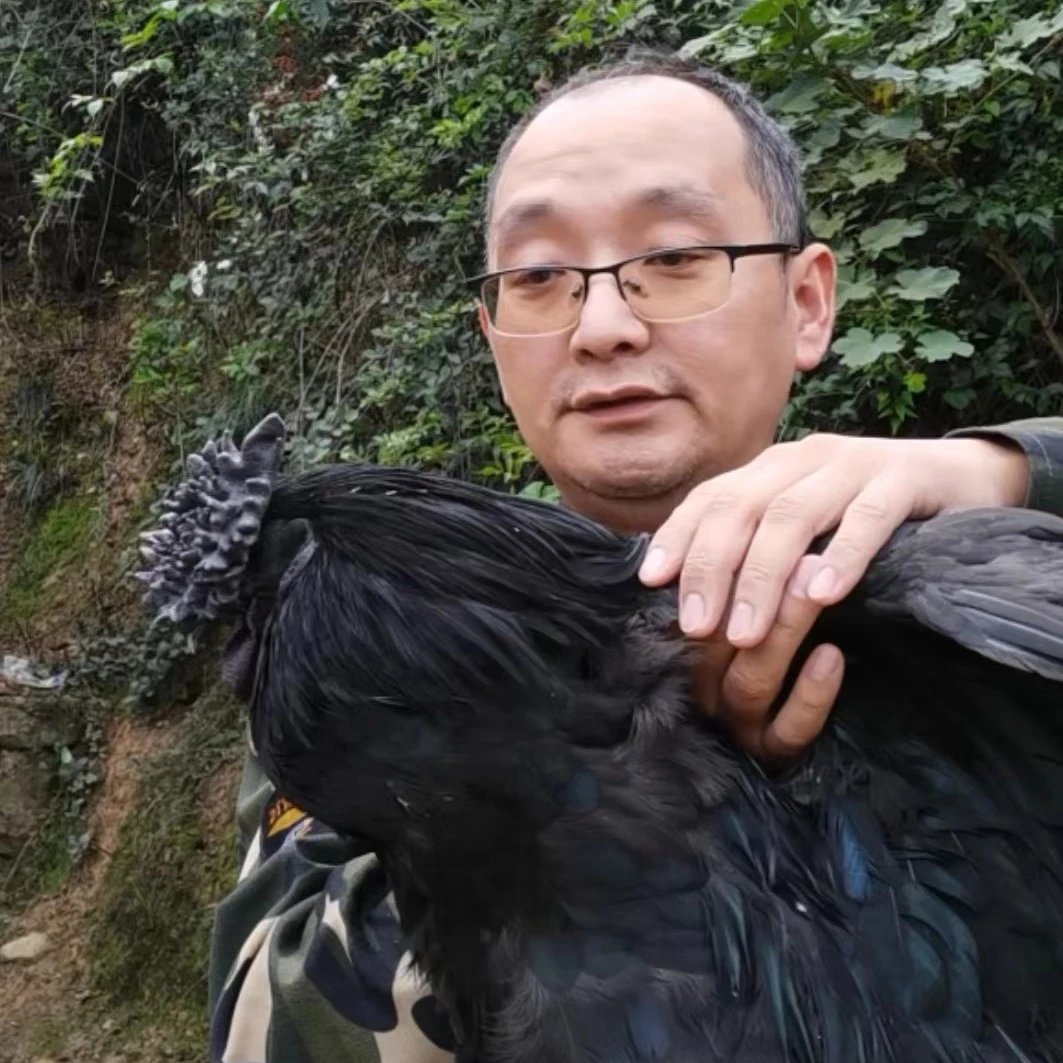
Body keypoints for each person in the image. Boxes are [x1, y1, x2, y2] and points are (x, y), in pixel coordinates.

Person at [206, 53, 1063, 1063]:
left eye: (674, 255)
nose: (604, 325)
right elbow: (274, 1010)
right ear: (493, 336)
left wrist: (1006, 471)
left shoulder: (954, 537)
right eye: (537, 277)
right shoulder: (381, 664)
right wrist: (605, 759)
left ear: (807, 303)